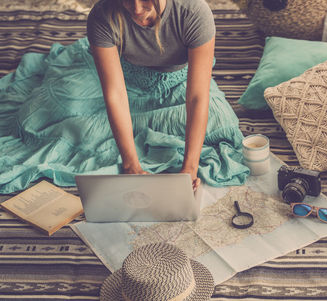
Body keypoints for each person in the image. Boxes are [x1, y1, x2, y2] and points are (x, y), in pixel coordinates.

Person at [0, 0, 249, 194]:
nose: (137, 10)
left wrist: (189, 168)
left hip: (180, 81)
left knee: (221, 122)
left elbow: (196, 96)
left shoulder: (194, 12)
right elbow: (115, 94)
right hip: (125, 78)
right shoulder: (102, 15)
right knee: (51, 109)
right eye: (127, 0)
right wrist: (131, 164)